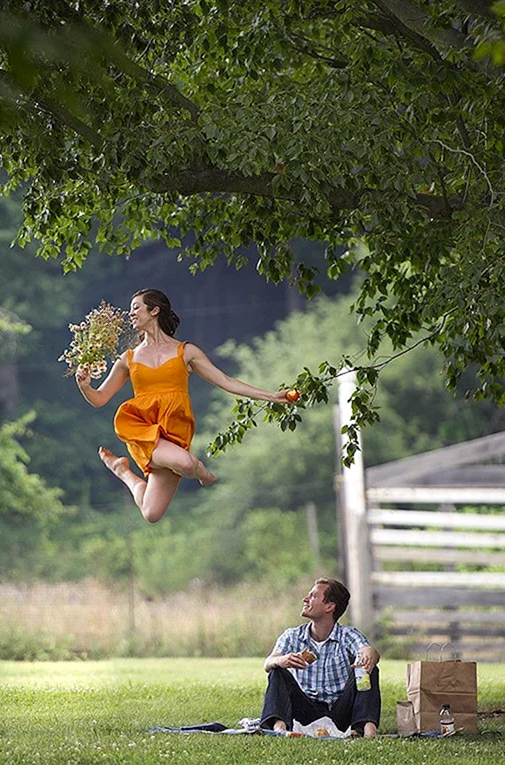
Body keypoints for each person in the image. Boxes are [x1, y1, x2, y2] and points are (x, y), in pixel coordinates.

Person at [76, 288, 292, 523]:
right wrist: (85, 386)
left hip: (174, 430)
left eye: (136, 307)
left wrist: (271, 396)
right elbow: (99, 399)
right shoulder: (127, 359)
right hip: (144, 429)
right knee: (186, 463)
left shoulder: (186, 352)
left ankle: (122, 471)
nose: (130, 314)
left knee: (151, 513)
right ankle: (203, 473)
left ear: (155, 310)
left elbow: (226, 381)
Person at [261, 578, 381, 738]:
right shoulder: (292, 636)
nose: (305, 599)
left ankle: (367, 731)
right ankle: (279, 729)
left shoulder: (347, 635)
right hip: (306, 711)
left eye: (312, 596)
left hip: (341, 712)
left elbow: (368, 650)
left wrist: (368, 657)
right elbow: (268, 662)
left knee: (368, 669)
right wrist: (281, 660)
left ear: (329, 607)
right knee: (276, 671)